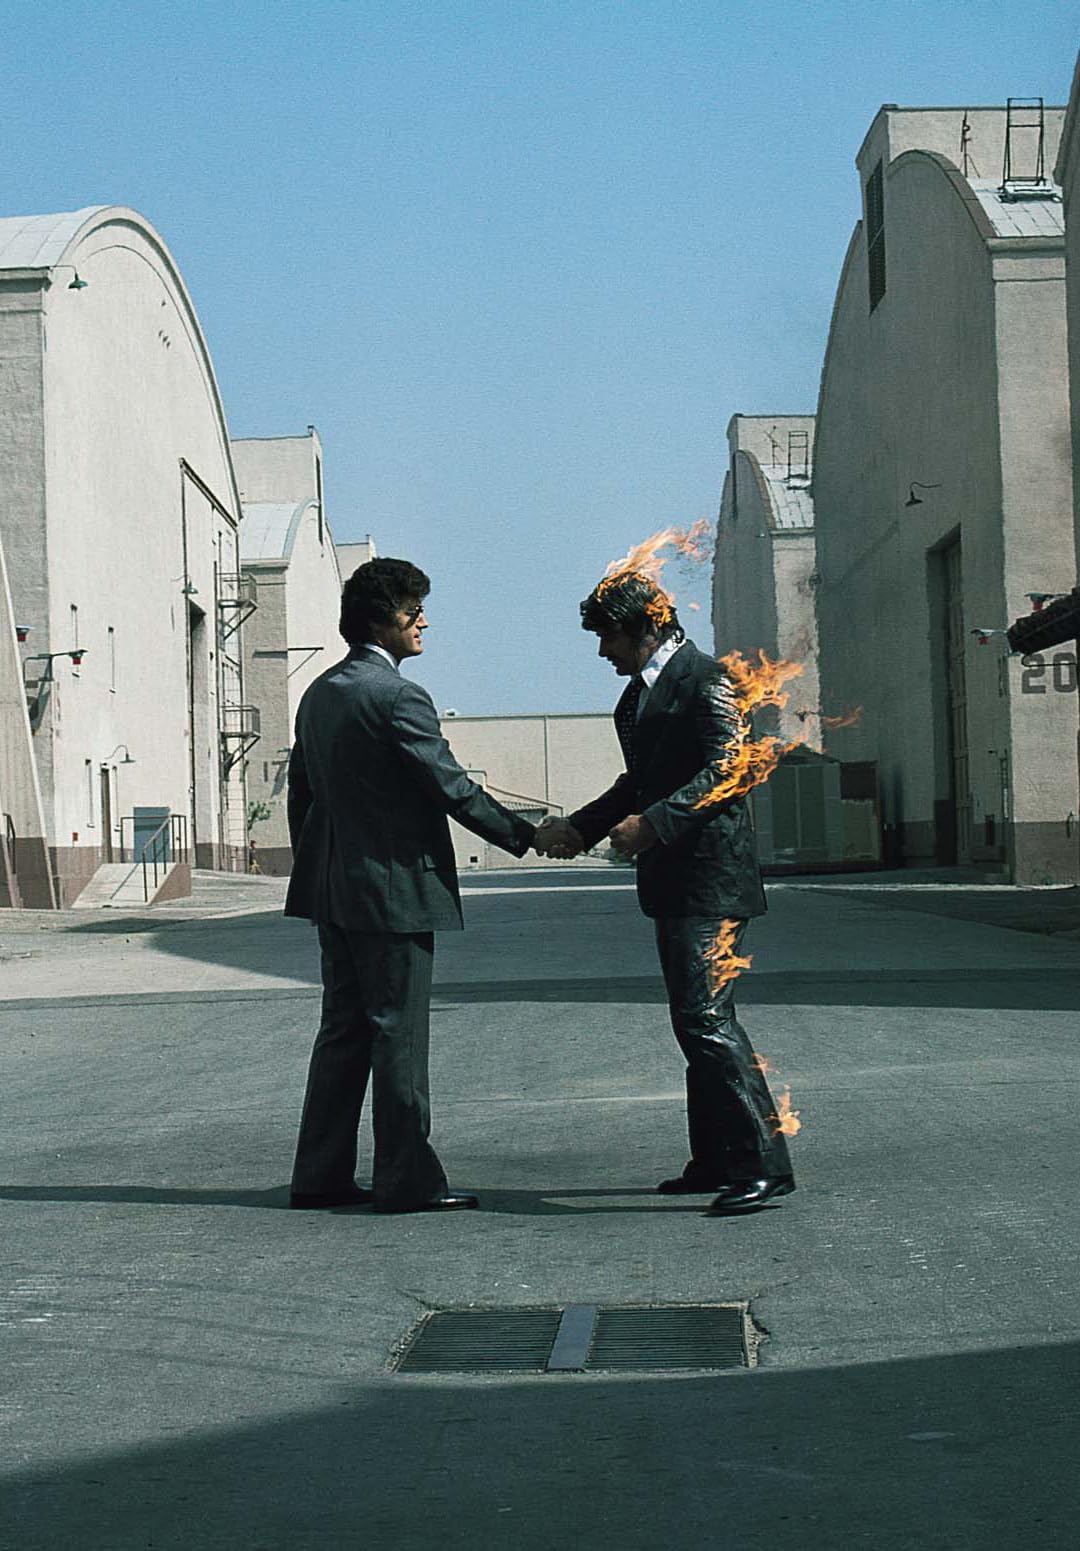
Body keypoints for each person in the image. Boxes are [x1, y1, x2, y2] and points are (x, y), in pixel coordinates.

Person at [534, 573, 794, 1214]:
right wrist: (581, 827)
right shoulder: (636, 699)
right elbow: (638, 781)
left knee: (706, 1019)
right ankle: (715, 1160)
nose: (603, 651)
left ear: (647, 628)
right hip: (674, 882)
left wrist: (654, 824)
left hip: (711, 880)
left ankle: (764, 1163)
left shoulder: (708, 680)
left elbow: (733, 768)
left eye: (609, 637)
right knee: (693, 1021)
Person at [286, 558, 537, 1213]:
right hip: (393, 891)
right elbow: (450, 785)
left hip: (333, 890)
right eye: (412, 610)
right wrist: (528, 834)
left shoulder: (318, 693)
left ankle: (319, 1176)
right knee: (397, 1033)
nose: (424, 621)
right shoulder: (399, 696)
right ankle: (407, 1181)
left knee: (343, 1031)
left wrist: (318, 869)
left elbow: (301, 795)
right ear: (380, 621)